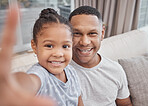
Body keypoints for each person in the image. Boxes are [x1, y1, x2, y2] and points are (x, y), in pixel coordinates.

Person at [0, 4, 83, 106]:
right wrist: (14, 86)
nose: (58, 54)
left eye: (65, 46)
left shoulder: (71, 72)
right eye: (49, 45)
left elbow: (79, 101)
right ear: (34, 46)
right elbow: (28, 82)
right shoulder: (40, 75)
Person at [69, 6, 132, 106]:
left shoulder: (116, 70)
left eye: (92, 33)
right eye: (77, 33)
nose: (84, 42)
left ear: (102, 33)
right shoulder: (59, 71)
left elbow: (125, 104)